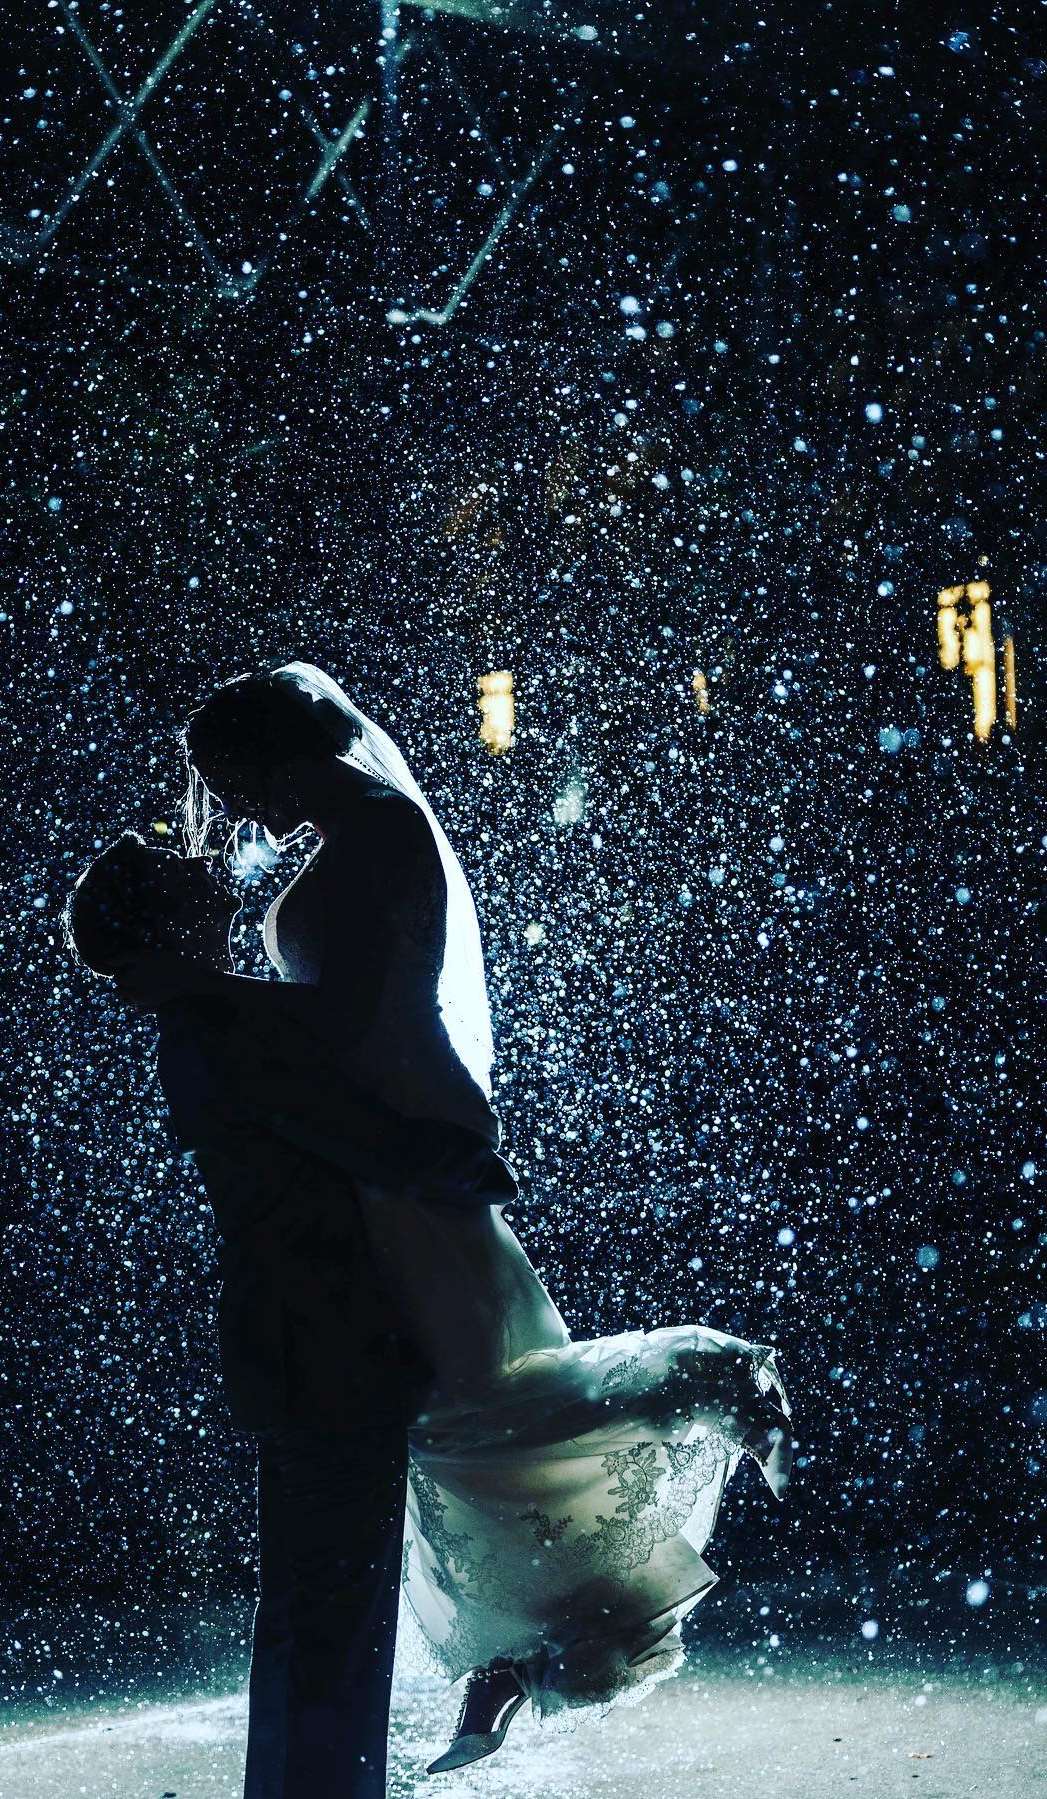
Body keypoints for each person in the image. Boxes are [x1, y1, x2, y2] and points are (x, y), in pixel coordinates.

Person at [112, 662, 793, 1777]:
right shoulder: (347, 837)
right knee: (463, 1417)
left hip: (400, 1145)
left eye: (232, 778)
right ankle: (517, 1654)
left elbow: (353, 1016)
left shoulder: (378, 831)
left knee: (475, 1407)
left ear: (277, 751)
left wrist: (196, 987)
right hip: (384, 1142)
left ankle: (698, 1377)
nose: (232, 808)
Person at [62, 831, 516, 1799]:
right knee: (332, 1617)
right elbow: (352, 1134)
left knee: (322, 1610)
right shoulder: (214, 1026)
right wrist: (467, 1163)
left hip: (308, 1328)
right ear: (167, 916)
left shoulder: (215, 1013)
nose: (199, 853)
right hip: (320, 1330)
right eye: (169, 858)